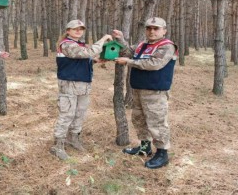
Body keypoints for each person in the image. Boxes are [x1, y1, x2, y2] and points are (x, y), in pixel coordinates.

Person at [113, 17, 178, 169]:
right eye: (149, 28)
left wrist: (128, 62)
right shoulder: (142, 45)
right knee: (139, 119)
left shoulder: (167, 46)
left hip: (155, 91)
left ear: (164, 31)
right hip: (138, 89)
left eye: (156, 28)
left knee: (157, 122)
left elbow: (154, 64)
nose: (152, 31)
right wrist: (121, 40)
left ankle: (162, 153)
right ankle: (145, 147)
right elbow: (129, 52)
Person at [50, 19, 112, 160]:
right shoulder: (66, 44)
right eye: (75, 28)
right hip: (69, 84)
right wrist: (103, 39)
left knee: (80, 113)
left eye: (81, 28)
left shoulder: (78, 44)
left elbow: (81, 59)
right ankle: (58, 145)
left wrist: (94, 61)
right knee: (67, 114)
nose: (78, 31)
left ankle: (73, 138)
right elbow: (85, 53)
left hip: (83, 84)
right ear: (68, 31)